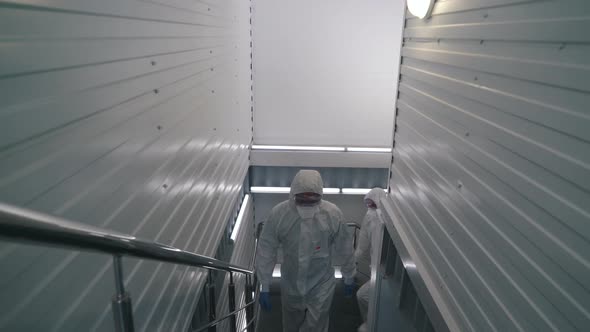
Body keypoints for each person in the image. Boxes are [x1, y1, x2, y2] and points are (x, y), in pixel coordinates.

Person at [256, 170, 356, 332]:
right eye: (303, 198)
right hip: (291, 281)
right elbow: (266, 249)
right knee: (291, 324)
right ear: (293, 194)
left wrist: (349, 275)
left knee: (317, 324)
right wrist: (265, 285)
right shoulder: (279, 214)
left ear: (320, 195)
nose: (307, 203)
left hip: (321, 283)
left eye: (313, 198)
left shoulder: (332, 214)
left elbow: (344, 246)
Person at [355, 187, 386, 332]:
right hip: (376, 271)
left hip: (385, 272)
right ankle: (370, 323)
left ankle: (373, 324)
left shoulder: (389, 221)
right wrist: (351, 263)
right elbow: (362, 245)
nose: (369, 208)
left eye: (372, 204)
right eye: (367, 204)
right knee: (364, 297)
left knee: (364, 296)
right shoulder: (369, 218)